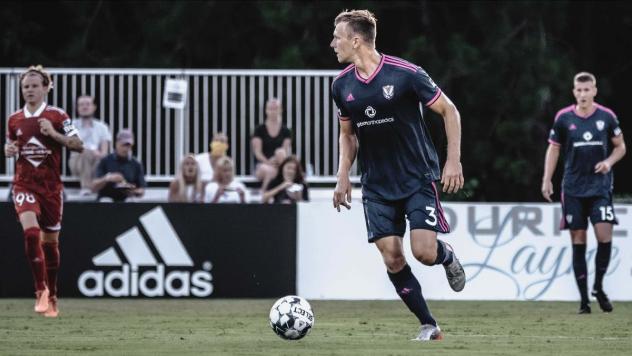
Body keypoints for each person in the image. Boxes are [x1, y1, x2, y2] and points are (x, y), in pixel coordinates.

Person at [330, 10, 466, 341]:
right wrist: (342, 174)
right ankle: (429, 324)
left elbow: (449, 110)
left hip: (417, 177)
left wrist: (453, 161)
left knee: (423, 252)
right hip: (376, 185)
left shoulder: (406, 74)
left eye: (337, 36)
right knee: (392, 257)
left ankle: (446, 256)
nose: (332, 43)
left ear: (356, 40)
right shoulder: (341, 85)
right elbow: (347, 134)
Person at [542, 72, 626, 314]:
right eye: (578, 90)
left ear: (594, 91)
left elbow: (621, 147)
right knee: (578, 240)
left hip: (600, 188)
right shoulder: (563, 118)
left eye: (587, 90)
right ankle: (584, 302)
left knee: (604, 235)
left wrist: (609, 162)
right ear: (574, 92)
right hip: (573, 189)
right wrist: (547, 179)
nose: (582, 95)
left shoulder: (606, 117)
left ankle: (598, 287)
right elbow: (554, 149)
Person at [4, 65, 84, 318]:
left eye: (35, 85)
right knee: (30, 233)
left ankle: (53, 294)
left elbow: (78, 145)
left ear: (46, 87)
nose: (29, 90)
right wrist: (9, 149)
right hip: (24, 184)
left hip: (51, 189)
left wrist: (53, 134)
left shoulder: (58, 116)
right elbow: (13, 143)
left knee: (50, 245)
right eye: (25, 86)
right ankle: (40, 290)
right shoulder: (14, 119)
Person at [68, 95, 111, 195]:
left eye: (88, 104)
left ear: (94, 107)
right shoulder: (71, 125)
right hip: (77, 161)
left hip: (97, 160)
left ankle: (94, 187)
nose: (84, 107)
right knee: (84, 152)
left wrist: (98, 154)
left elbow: (104, 152)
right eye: (81, 105)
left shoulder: (102, 127)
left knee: (101, 160)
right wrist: (89, 151)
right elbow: (73, 146)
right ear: (77, 108)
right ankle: (87, 187)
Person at [91, 129, 146, 202]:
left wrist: (129, 189)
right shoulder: (105, 161)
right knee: (106, 201)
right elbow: (93, 187)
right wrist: (107, 178)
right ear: (117, 143)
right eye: (123, 145)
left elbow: (141, 190)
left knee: (131, 201)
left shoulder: (136, 164)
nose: (126, 148)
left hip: (126, 199)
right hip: (106, 198)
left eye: (128, 145)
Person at [251, 98, 292, 191]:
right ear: (266, 110)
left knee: (280, 156)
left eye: (276, 108)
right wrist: (268, 162)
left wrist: (276, 161)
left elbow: (284, 151)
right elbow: (258, 153)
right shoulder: (259, 130)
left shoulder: (286, 131)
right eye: (271, 108)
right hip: (262, 165)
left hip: (279, 163)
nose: (273, 111)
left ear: (280, 110)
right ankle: (265, 196)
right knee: (271, 171)